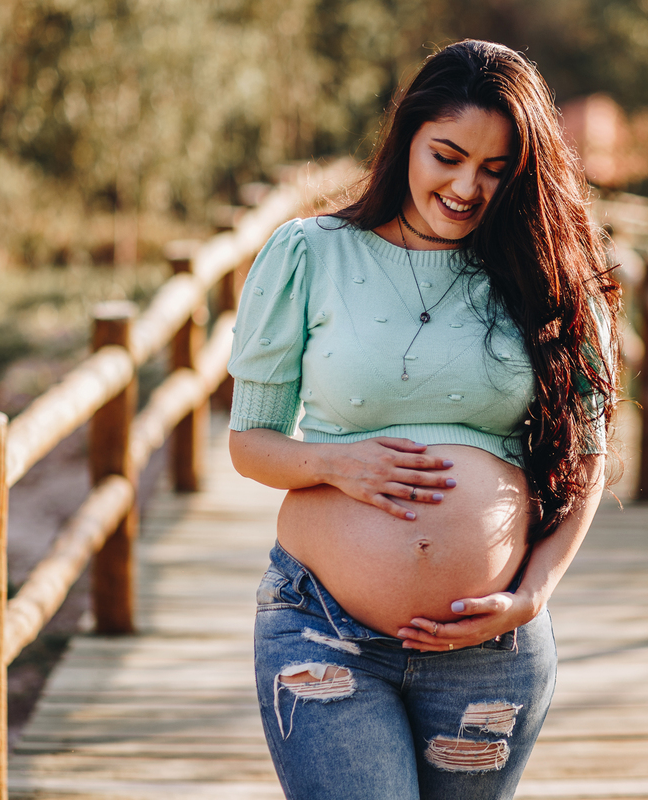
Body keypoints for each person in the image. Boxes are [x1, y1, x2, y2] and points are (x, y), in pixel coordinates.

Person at [227, 38, 620, 800]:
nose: (468, 186)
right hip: (323, 632)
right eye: (447, 154)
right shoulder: (310, 255)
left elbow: (589, 461)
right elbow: (250, 443)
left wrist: (534, 593)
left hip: (491, 650)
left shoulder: (552, 278)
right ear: (406, 136)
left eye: (495, 170)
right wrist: (333, 463)